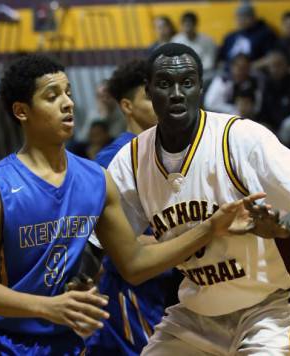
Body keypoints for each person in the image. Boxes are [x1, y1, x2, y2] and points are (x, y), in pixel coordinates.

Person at [0, 53, 264, 354]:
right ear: (22, 111)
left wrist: (210, 228)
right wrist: (47, 306)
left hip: (66, 341)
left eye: (68, 92)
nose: (68, 103)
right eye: (51, 96)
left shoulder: (96, 179)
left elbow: (133, 264)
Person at [105, 43, 290, 355]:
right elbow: (113, 251)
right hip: (195, 315)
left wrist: (284, 226)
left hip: (270, 308)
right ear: (148, 91)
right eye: (165, 84)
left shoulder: (239, 137)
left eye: (187, 82)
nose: (177, 93)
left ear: (200, 88)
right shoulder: (130, 160)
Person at [85, 60, 180, 355]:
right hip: (133, 289)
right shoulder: (114, 157)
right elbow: (98, 231)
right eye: (150, 96)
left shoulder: (172, 152)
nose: (161, 101)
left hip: (174, 283)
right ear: (126, 106)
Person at [171, 12, 217, 80]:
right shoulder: (176, 40)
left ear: (195, 24)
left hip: (204, 74)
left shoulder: (208, 40)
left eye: (189, 24)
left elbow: (209, 63)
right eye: (185, 25)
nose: (187, 28)